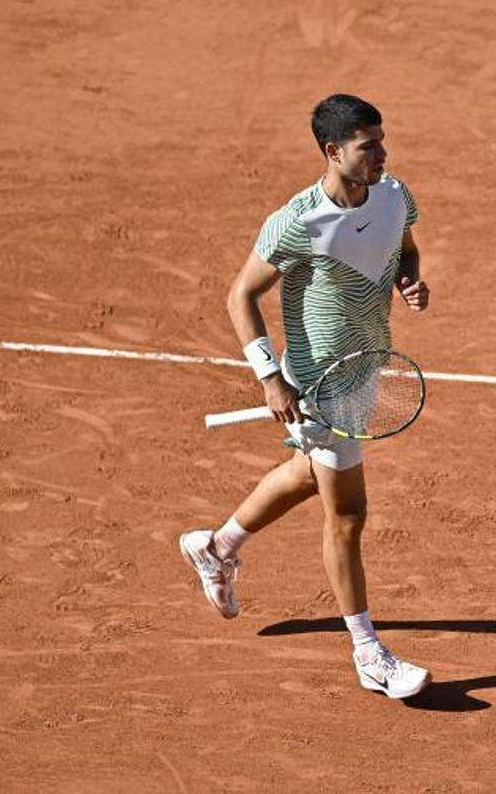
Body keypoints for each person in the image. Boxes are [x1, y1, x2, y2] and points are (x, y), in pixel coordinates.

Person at [179, 94, 432, 700]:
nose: (382, 154)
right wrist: (269, 377)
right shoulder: (298, 222)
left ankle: (217, 547)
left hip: (365, 365)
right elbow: (241, 295)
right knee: (346, 515)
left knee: (304, 474)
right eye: (368, 146)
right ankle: (369, 652)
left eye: (382, 141)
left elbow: (403, 247)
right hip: (321, 383)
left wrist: (409, 281)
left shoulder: (394, 195)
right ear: (333, 152)